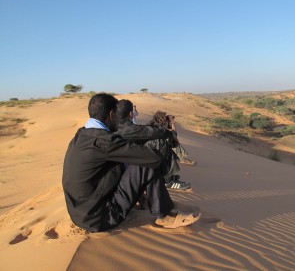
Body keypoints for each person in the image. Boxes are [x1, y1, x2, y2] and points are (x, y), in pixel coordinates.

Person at [62, 93, 200, 232]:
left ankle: (145, 201)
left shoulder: (82, 135)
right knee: (145, 165)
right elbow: (153, 159)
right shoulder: (104, 142)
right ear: (111, 115)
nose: (119, 119)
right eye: (117, 115)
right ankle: (165, 215)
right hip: (101, 218)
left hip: (82, 213)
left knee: (127, 163)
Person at [116, 99, 191, 190]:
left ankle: (164, 176)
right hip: (126, 161)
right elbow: (150, 133)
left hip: (123, 156)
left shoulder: (117, 124)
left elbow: (144, 132)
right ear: (130, 114)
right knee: (160, 142)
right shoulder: (125, 127)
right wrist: (169, 132)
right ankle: (168, 180)